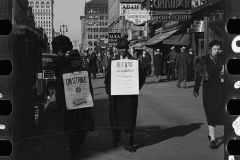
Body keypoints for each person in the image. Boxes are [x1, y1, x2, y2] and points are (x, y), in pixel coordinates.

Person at [104, 38, 146, 153]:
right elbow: (107, 80)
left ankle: (129, 144)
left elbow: (142, 78)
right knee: (115, 118)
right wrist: (110, 92)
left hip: (129, 96)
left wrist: (133, 88)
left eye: (124, 48)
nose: (122, 50)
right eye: (120, 48)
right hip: (115, 97)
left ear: (127, 49)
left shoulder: (135, 62)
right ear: (117, 50)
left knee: (129, 119)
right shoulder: (112, 62)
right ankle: (116, 139)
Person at [55, 50, 94, 155]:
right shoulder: (64, 73)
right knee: (72, 130)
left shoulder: (85, 72)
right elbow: (59, 90)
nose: (75, 62)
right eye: (73, 60)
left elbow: (89, 88)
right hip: (70, 107)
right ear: (70, 61)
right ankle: (73, 148)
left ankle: (79, 143)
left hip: (83, 106)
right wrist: (61, 103)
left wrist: (91, 101)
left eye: (76, 60)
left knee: (83, 130)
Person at [193, 40, 225, 149]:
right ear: (210, 48)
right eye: (215, 49)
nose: (217, 51)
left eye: (218, 49)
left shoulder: (223, 58)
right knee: (210, 112)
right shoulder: (204, 59)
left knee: (217, 112)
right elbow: (199, 75)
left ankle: (211, 134)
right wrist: (196, 88)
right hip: (208, 89)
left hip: (220, 89)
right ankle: (212, 139)